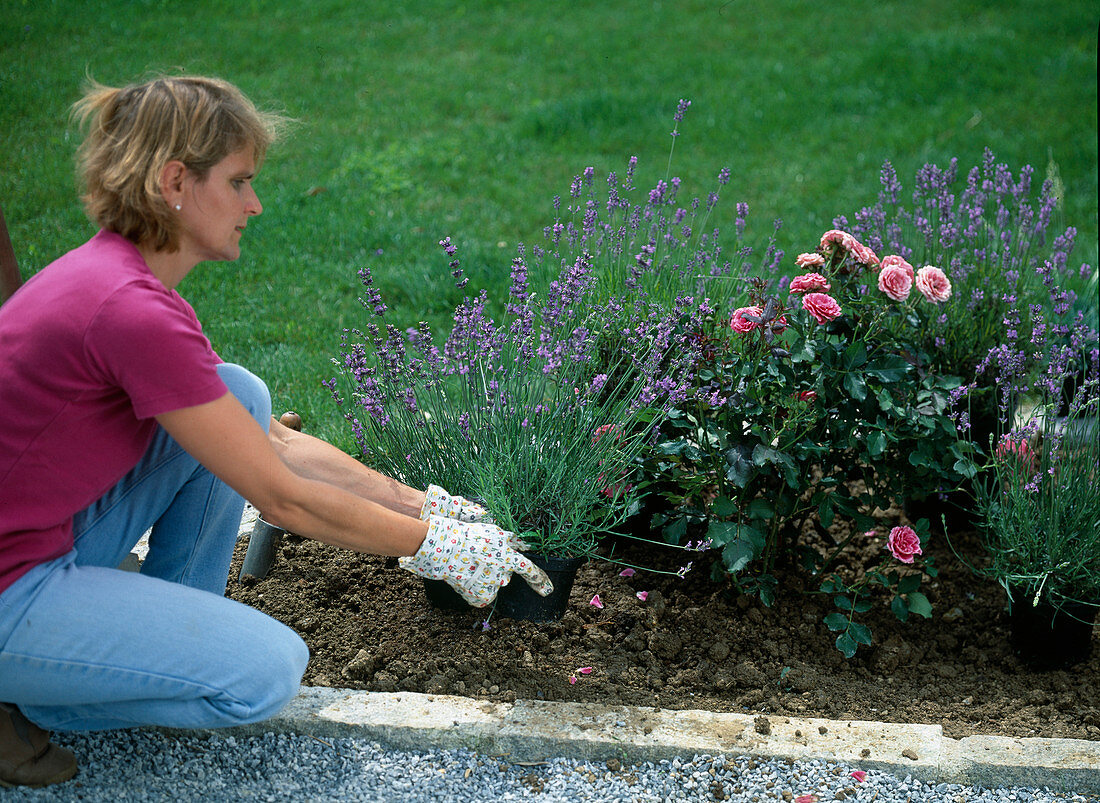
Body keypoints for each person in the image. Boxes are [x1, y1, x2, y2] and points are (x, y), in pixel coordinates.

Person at [0, 74, 552, 789]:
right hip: (14, 582)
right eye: (239, 182)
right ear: (175, 181)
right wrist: (435, 548)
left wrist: (420, 504)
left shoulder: (120, 281)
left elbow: (272, 441)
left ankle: (126, 641)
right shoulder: (129, 311)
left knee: (240, 391)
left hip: (36, 537)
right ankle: (50, 696)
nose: (254, 205)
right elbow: (281, 497)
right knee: (265, 673)